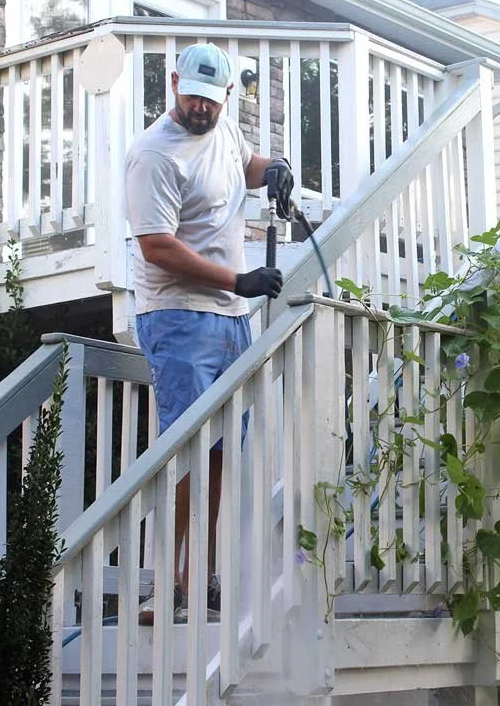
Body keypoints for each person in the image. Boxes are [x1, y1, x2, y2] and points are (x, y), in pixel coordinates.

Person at [125, 42, 294, 621]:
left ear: (226, 95)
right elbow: (157, 247)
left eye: (211, 99)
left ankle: (199, 577)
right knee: (187, 452)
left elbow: (243, 162)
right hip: (177, 316)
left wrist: (273, 167)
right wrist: (238, 279)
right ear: (174, 83)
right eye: (192, 96)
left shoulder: (221, 130)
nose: (201, 109)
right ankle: (166, 588)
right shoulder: (154, 154)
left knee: (220, 452)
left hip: (227, 318)